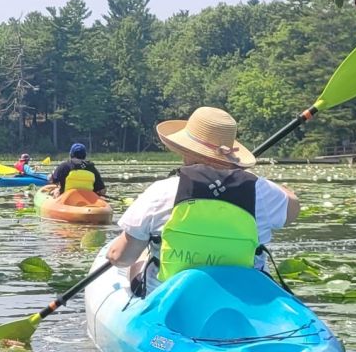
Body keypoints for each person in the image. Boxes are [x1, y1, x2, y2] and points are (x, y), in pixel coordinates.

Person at [107, 106, 299, 295]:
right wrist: (254, 179)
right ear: (234, 154)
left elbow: (120, 257)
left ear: (186, 150)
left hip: (172, 302)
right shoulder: (263, 191)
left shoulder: (161, 191)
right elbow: (292, 209)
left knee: (139, 254)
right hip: (244, 298)